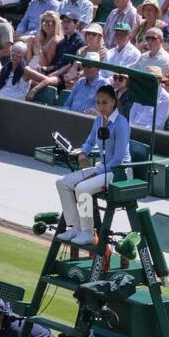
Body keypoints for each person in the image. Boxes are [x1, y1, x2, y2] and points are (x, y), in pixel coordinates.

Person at [56, 85, 130, 245]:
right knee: (63, 182)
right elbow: (90, 142)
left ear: (113, 102)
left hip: (119, 172)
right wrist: (83, 152)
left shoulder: (122, 124)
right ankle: (75, 228)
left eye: (104, 103)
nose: (100, 107)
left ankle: (88, 233)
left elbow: (118, 159)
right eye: (98, 103)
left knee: (82, 187)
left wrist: (97, 173)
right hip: (102, 168)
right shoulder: (98, 120)